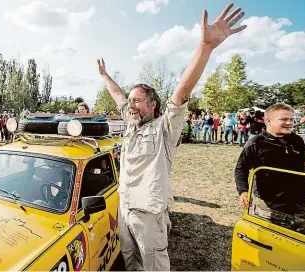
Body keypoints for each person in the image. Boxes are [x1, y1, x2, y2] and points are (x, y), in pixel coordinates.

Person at [97, 3, 247, 270]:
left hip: (149, 215)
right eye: (130, 101)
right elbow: (118, 95)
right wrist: (106, 76)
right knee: (130, 261)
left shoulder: (165, 127)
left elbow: (183, 89)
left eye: (138, 101)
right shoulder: (131, 125)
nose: (131, 105)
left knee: (154, 265)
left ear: (153, 104)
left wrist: (206, 47)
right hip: (125, 208)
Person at [235, 103, 305, 232]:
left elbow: (303, 167)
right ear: (268, 121)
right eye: (284, 119)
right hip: (269, 206)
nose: (290, 123)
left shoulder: (297, 140)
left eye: (291, 119)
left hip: (299, 202)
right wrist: (243, 192)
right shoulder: (255, 143)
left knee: (304, 245)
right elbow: (241, 169)